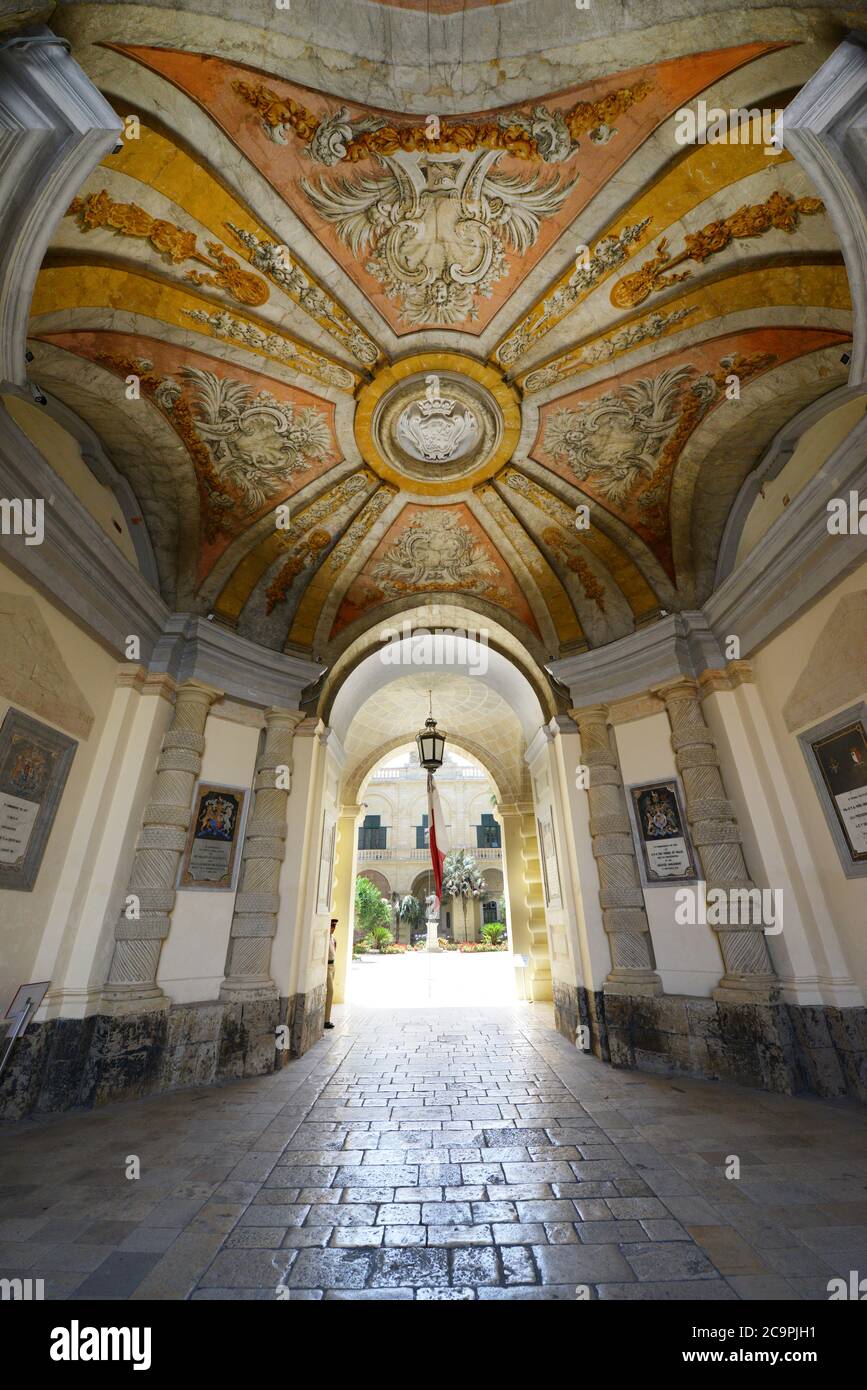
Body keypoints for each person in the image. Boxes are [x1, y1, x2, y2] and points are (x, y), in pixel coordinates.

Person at [324, 918, 337, 1029]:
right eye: (331, 926)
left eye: (334, 927)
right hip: (326, 966)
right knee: (330, 991)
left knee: (330, 992)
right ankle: (325, 1020)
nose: (333, 928)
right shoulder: (324, 939)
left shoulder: (333, 939)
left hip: (332, 966)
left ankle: (327, 1018)